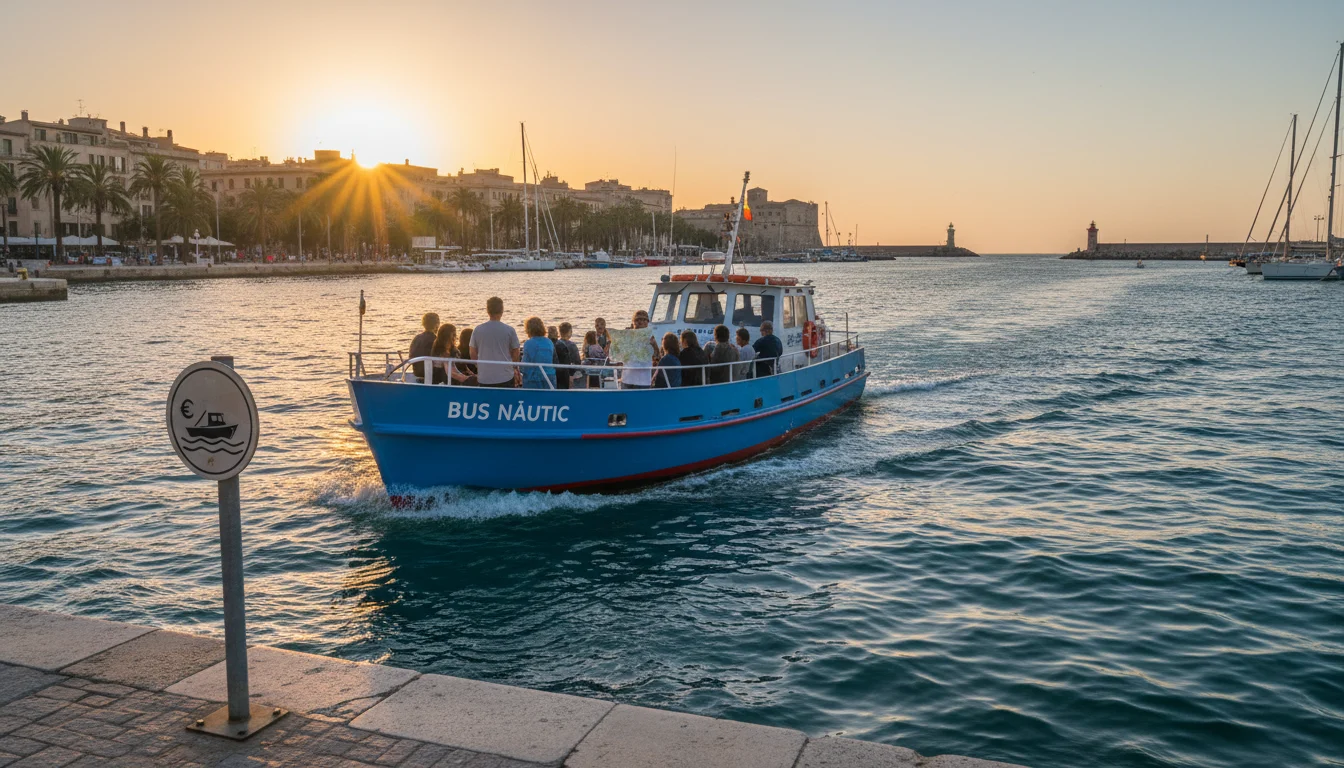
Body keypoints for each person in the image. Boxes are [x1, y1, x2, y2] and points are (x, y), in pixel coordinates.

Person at [471, 296, 521, 388]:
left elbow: (472, 352)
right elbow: (516, 351)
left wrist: (479, 366)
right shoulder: (509, 330)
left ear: (487, 311)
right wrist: (511, 366)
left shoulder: (478, 330)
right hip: (505, 376)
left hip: (484, 377)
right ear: (502, 310)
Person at [619, 310, 657, 389]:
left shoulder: (650, 338)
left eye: (643, 320)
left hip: (637, 379)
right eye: (638, 320)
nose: (641, 322)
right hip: (634, 379)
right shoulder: (627, 336)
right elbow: (656, 356)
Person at [521, 316, 556, 389]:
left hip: (534, 379)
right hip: (550, 377)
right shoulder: (549, 342)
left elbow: (524, 365)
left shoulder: (529, 343)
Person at [409, 312, 439, 382]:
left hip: (417, 371)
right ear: (436, 324)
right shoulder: (435, 340)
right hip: (430, 372)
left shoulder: (417, 338)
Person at [555, 322, 581, 390]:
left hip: (557, 372)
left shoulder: (555, 344)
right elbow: (577, 361)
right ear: (569, 332)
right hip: (569, 372)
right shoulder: (572, 345)